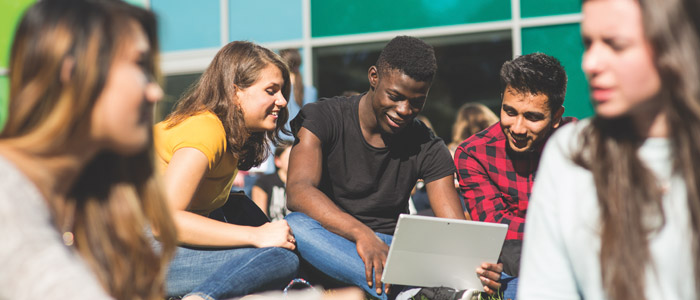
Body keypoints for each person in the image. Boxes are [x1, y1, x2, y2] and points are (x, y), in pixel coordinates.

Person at [519, 0, 700, 299]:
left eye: (615, 44)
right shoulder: (573, 153)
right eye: (588, 43)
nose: (590, 62)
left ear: (674, 46)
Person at [0, 0, 177, 299]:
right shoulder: (8, 197)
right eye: (140, 65)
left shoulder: (92, 203)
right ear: (73, 71)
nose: (155, 91)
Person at [284, 36, 471, 299]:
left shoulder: (428, 146)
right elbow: (298, 191)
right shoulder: (322, 117)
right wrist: (362, 234)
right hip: (330, 241)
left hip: (392, 250)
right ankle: (414, 291)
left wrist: (475, 261)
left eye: (417, 101)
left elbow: (454, 229)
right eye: (395, 96)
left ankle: (411, 288)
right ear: (374, 76)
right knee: (296, 226)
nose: (404, 110)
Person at [153, 41, 299, 300]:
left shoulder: (232, 136)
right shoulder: (205, 130)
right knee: (279, 259)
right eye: (271, 90)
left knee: (247, 212)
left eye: (282, 91)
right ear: (235, 93)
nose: (283, 100)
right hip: (133, 251)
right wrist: (256, 236)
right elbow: (165, 222)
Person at [454, 52, 575, 299]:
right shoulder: (473, 153)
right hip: (513, 265)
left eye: (532, 117)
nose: (517, 128)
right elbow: (495, 227)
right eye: (509, 112)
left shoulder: (580, 144)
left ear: (556, 116)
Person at [252, 142, 292, 221]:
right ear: (277, 161)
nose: (295, 162)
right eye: (289, 158)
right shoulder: (264, 182)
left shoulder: (302, 185)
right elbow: (259, 217)